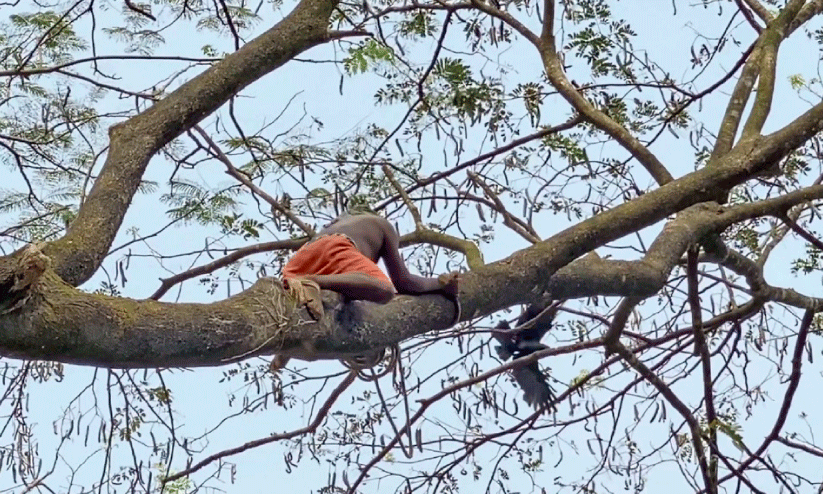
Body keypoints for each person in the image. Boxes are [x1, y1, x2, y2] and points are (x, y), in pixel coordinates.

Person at [282, 212, 460, 321]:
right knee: (383, 289)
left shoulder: (334, 226)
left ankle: (287, 349)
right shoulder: (382, 224)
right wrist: (439, 284)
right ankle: (311, 282)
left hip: (300, 258)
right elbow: (404, 282)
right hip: (338, 247)